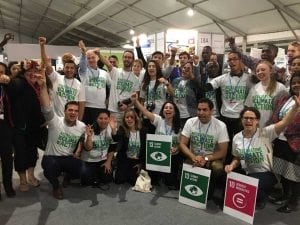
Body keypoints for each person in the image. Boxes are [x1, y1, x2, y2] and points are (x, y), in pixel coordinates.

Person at [225, 99, 300, 209]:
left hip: (267, 173)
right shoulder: (237, 137)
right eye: (246, 118)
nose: (248, 121)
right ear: (241, 120)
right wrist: (231, 165)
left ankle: (263, 196)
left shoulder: (266, 133)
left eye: (252, 118)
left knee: (252, 188)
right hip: (248, 172)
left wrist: (295, 107)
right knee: (227, 184)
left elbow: (285, 122)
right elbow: (237, 157)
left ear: (257, 121)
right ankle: (257, 194)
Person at [37, 69, 86, 199]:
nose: (73, 113)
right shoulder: (54, 121)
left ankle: (68, 176)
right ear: (65, 111)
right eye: (70, 110)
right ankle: (55, 186)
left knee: (84, 171)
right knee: (49, 167)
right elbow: (47, 107)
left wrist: (78, 151)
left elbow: (82, 139)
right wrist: (42, 87)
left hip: (68, 158)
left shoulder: (81, 126)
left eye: (76, 111)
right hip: (51, 157)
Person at [2, 60, 46, 192]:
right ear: (24, 72)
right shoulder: (19, 82)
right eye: (29, 72)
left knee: (33, 152)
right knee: (20, 153)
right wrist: (7, 80)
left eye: (35, 72)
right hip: (20, 126)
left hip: (35, 125)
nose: (33, 74)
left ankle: (31, 176)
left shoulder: (39, 84)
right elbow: (11, 87)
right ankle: (22, 180)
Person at [180, 98, 229, 199]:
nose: (201, 113)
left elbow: (223, 152)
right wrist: (193, 157)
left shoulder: (221, 126)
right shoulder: (190, 122)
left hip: (211, 158)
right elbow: (182, 144)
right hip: (194, 157)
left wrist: (205, 159)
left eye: (205, 110)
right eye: (199, 109)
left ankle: (211, 185)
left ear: (212, 111)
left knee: (218, 168)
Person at [131, 93, 182, 189]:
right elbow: (145, 111)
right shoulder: (159, 120)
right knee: (153, 180)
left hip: (172, 157)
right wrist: (135, 101)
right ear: (162, 111)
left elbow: (182, 143)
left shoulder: (179, 126)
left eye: (171, 108)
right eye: (165, 108)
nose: (168, 109)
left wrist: (176, 148)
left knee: (170, 182)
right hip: (157, 155)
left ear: (175, 112)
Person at [269, 72, 300, 213]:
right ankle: (285, 194)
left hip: (295, 144)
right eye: (294, 82)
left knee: (294, 175)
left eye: (299, 82)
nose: (296, 85)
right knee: (282, 171)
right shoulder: (286, 98)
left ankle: (293, 202)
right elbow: (276, 116)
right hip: (280, 140)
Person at [39, 37, 85, 120]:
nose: (69, 70)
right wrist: (42, 46)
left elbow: (81, 104)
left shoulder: (79, 84)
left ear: (75, 70)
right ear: (63, 68)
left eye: (72, 68)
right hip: (56, 120)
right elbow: (46, 63)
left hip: (72, 120)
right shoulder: (56, 77)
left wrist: (79, 121)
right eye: (67, 67)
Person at [99, 49, 140, 123]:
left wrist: (127, 106)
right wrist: (98, 53)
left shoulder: (136, 79)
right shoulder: (115, 71)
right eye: (125, 57)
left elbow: (135, 98)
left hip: (128, 113)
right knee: (114, 133)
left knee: (126, 133)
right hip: (114, 111)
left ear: (133, 60)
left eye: (129, 57)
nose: (127, 59)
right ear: (122, 58)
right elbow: (107, 63)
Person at [245, 60, 287, 127]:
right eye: (257, 71)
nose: (260, 72)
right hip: (257, 127)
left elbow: (285, 110)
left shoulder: (280, 88)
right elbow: (250, 108)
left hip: (274, 128)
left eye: (263, 69)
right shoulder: (254, 88)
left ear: (270, 71)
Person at [78, 40, 111, 125]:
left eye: (93, 57)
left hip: (101, 107)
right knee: (87, 131)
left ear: (97, 58)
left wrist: (109, 100)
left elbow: (111, 87)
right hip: (87, 107)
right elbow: (82, 65)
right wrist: (83, 53)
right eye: (88, 58)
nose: (91, 60)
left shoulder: (104, 73)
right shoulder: (83, 72)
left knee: (98, 133)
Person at [81, 109, 117, 186]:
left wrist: (108, 162)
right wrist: (89, 137)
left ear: (109, 119)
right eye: (100, 118)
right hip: (89, 159)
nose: (103, 121)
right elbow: (88, 148)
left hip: (103, 159)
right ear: (96, 119)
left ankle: (97, 173)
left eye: (106, 118)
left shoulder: (111, 128)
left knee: (107, 179)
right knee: (86, 181)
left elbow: (113, 147)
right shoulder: (90, 129)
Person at [114, 109, 146, 185]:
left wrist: (141, 164)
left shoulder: (143, 131)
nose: (129, 119)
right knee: (119, 181)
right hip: (125, 160)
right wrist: (113, 130)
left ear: (135, 118)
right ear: (124, 119)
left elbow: (145, 150)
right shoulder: (122, 130)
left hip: (137, 161)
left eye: (131, 117)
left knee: (133, 181)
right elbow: (116, 138)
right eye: (127, 117)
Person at [172, 61, 203, 127]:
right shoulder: (175, 81)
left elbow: (197, 82)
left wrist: (192, 75)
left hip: (188, 115)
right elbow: (171, 94)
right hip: (175, 115)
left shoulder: (193, 82)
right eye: (184, 67)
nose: (185, 70)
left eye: (188, 69)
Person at [0, 62, 15, 199]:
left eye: (2, 72)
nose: (1, 75)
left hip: (5, 126)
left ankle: (8, 185)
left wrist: (9, 82)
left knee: (7, 159)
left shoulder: (7, 86)